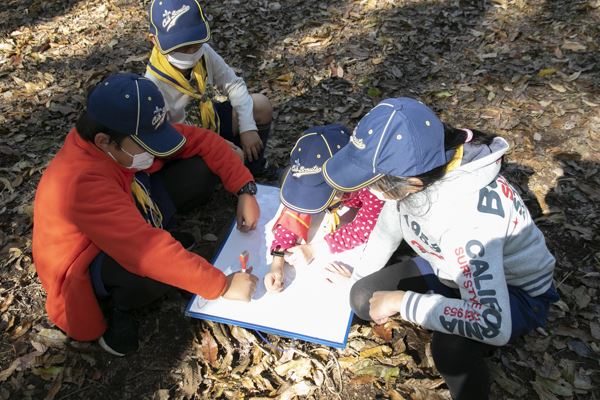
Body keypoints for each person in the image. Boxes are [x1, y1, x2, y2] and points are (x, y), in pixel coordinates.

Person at [322, 98, 559, 400]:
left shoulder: (469, 222)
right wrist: (358, 277)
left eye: (374, 184)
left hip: (518, 294)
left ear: (413, 183)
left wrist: (401, 301)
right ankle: (440, 302)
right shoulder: (419, 171)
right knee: (360, 297)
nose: (368, 192)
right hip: (447, 266)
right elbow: (385, 231)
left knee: (450, 349)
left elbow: (491, 323)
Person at [32, 73, 260, 357]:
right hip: (87, 259)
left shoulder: (121, 143)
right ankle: (116, 305)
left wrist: (244, 189)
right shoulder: (81, 182)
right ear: (104, 141)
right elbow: (148, 252)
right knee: (152, 275)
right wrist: (222, 285)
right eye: (145, 143)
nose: (154, 149)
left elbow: (201, 140)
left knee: (201, 170)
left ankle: (158, 231)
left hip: (130, 207)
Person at [145, 0, 276, 178]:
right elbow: (165, 139)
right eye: (182, 46)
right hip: (188, 145)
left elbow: (234, 84)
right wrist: (216, 145)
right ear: (154, 40)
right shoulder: (152, 85)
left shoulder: (204, 52)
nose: (191, 51)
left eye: (195, 41)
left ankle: (254, 168)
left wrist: (247, 127)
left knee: (261, 105)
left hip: (212, 122)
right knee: (204, 170)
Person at [264, 124, 384, 292]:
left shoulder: (373, 186)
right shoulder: (315, 179)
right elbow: (294, 212)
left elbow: (364, 228)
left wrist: (314, 249)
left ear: (343, 179)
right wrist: (278, 261)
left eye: (318, 194)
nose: (309, 201)